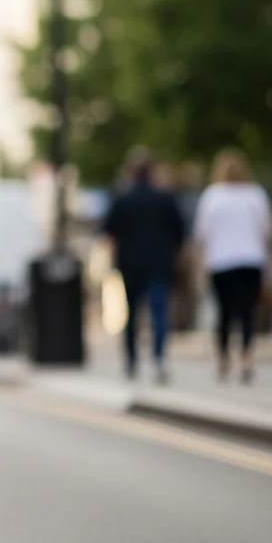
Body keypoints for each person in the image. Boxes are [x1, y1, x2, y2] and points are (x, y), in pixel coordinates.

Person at [102, 148, 186, 383]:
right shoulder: (164, 199)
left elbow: (108, 233)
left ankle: (131, 360)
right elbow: (180, 232)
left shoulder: (122, 199)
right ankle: (158, 358)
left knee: (131, 314)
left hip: (130, 265)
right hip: (159, 263)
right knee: (159, 312)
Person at [193, 149, 272, 384]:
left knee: (225, 312)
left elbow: (202, 235)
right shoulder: (255, 194)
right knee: (247, 312)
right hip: (251, 260)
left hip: (220, 262)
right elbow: (267, 230)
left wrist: (200, 267)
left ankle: (223, 358)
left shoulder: (212, 196)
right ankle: (247, 357)